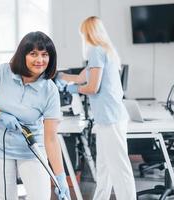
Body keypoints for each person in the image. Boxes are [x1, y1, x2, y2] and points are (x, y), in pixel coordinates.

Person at [0, 32, 71, 200]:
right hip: (0, 148)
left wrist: (60, 177)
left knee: (40, 196)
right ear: (23, 55)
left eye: (44, 54)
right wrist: (0, 115)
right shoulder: (2, 72)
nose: (39, 60)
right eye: (33, 54)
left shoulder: (50, 91)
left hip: (32, 149)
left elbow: (51, 138)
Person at [58, 16, 136, 200]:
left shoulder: (95, 51)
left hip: (110, 118)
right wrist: (61, 76)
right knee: (104, 168)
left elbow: (92, 87)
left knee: (119, 168)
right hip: (107, 118)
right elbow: (81, 77)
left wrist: (71, 89)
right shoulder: (105, 51)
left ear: (88, 33)